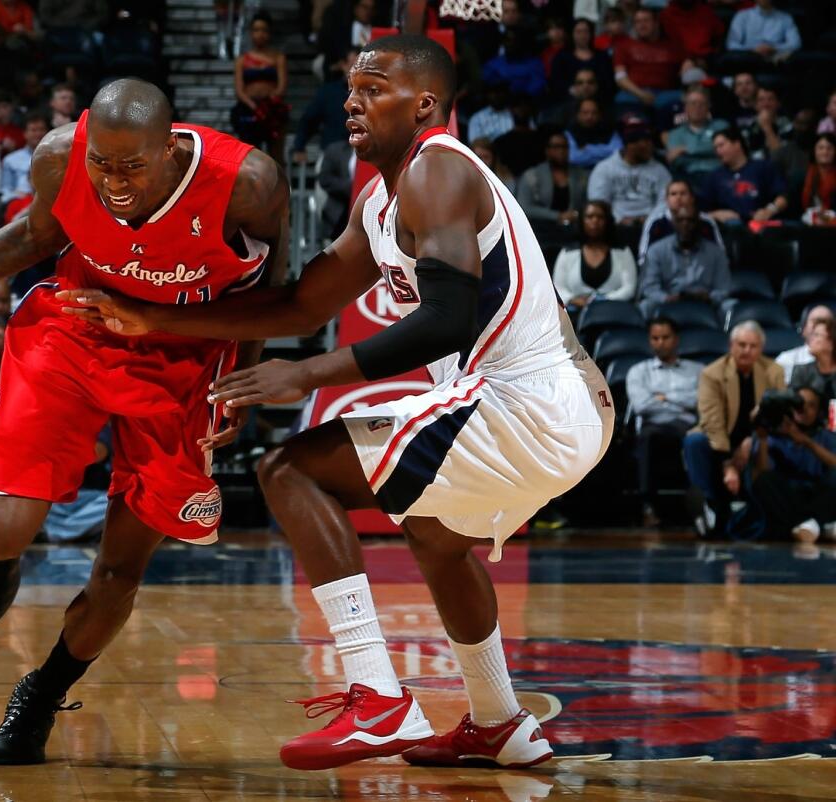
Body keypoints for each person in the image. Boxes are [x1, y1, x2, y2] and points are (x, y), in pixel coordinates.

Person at [63, 39, 611, 770]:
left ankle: (377, 697)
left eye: (374, 88)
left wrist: (310, 374)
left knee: (291, 469)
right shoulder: (382, 202)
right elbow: (297, 304)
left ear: (424, 105)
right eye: (350, 88)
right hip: (549, 412)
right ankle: (499, 723)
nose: (352, 100)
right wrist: (156, 318)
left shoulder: (438, 167)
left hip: (528, 400)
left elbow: (446, 318)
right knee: (436, 537)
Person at [0, 77, 287, 766]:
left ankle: (41, 694)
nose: (114, 182)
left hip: (186, 360)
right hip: (75, 327)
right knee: (7, 524)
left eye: (132, 165)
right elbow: (29, 237)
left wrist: (241, 380)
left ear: (169, 146)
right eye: (101, 163)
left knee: (120, 571)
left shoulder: (247, 184)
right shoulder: (57, 157)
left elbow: (270, 287)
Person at [684, 321, 785, 537]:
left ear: (761, 349)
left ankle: (755, 517)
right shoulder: (712, 374)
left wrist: (752, 440)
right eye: (741, 344)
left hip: (757, 438)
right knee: (694, 441)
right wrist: (728, 464)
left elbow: (776, 417)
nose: (746, 350)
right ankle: (708, 507)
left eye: (752, 346)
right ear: (731, 345)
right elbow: (712, 421)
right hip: (720, 438)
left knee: (766, 445)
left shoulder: (773, 371)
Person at [627, 316, 704, 526]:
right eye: (655, 338)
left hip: (687, 425)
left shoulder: (697, 370)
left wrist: (664, 397)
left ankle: (700, 506)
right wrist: (683, 401)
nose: (660, 342)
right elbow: (642, 405)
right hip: (654, 426)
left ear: (676, 339)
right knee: (647, 437)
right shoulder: (638, 372)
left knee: (697, 439)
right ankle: (647, 506)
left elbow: (701, 401)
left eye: (665, 337)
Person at [741, 386, 836, 543]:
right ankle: (816, 524)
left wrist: (806, 442)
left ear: (819, 412)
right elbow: (760, 475)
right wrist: (762, 438)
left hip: (817, 496)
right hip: (787, 498)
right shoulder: (772, 435)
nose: (804, 409)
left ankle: (808, 525)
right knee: (765, 480)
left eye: (811, 405)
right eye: (799, 403)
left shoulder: (825, 437)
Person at [639, 199, 730, 317]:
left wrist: (709, 297)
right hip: (668, 301)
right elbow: (649, 288)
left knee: (730, 306)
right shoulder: (656, 251)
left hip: (706, 303)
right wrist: (666, 298)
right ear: (673, 223)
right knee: (645, 306)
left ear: (698, 223)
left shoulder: (716, 252)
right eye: (680, 221)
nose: (685, 225)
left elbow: (723, 289)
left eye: (690, 221)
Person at [552, 200, 637, 309]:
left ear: (608, 221)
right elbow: (559, 287)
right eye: (589, 217)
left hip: (613, 311)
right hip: (575, 313)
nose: (595, 221)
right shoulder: (567, 253)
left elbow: (629, 288)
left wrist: (604, 300)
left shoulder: (623, 251)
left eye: (600, 217)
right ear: (582, 221)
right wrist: (574, 300)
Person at [587, 120, 671, 228]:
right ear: (630, 145)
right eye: (645, 142)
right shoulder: (604, 169)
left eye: (650, 141)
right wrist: (618, 219)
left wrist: (651, 219)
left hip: (651, 226)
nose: (650, 147)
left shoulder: (660, 170)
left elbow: (665, 202)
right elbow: (598, 203)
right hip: (614, 226)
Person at [231, 12, 289, 164]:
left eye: (264, 30)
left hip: (272, 110)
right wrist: (253, 106)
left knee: (276, 157)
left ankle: (279, 186)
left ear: (269, 33)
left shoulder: (278, 58)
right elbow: (239, 89)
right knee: (249, 157)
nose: (260, 34)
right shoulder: (242, 60)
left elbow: (282, 86)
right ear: (251, 33)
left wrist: (268, 104)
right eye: (256, 30)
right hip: (248, 111)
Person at [700, 128, 788, 224]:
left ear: (737, 144)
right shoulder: (714, 177)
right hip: (730, 229)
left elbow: (783, 197)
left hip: (763, 225)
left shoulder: (763, 167)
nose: (718, 151)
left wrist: (769, 211)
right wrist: (716, 214)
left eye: (721, 145)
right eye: (715, 148)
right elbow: (702, 212)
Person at [612, 7, 688, 113]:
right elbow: (620, 78)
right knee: (621, 99)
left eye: (646, 21)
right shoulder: (624, 46)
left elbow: (688, 63)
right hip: (634, 93)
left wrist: (689, 64)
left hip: (666, 94)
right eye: (638, 22)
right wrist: (641, 94)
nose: (642, 25)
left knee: (688, 98)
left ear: (656, 23)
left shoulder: (672, 46)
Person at [516, 131, 588, 229]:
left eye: (564, 147)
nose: (561, 151)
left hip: (572, 230)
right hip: (539, 230)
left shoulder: (580, 175)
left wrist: (575, 215)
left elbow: (587, 203)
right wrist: (557, 216)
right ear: (547, 150)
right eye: (556, 147)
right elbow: (524, 207)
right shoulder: (531, 176)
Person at [637, 180, 721, 262]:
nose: (678, 198)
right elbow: (643, 257)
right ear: (667, 200)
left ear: (692, 198)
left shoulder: (706, 221)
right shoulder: (655, 222)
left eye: (683, 193)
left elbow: (720, 254)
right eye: (673, 194)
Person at [664, 87, 725, 179]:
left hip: (718, 174)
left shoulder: (721, 126)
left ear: (708, 107)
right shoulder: (675, 134)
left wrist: (685, 149)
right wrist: (710, 149)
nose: (697, 107)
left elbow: (726, 151)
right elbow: (675, 160)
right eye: (693, 104)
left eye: (702, 104)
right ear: (685, 108)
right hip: (688, 177)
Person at [549, 18, 613, 100]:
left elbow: (608, 83)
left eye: (586, 31)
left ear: (591, 34)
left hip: (599, 100)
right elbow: (556, 83)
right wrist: (573, 91)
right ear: (572, 34)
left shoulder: (602, 56)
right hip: (569, 100)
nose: (583, 35)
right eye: (578, 32)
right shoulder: (561, 57)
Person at [725, 0, 800, 65]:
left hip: (776, 56)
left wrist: (774, 48)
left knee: (789, 58)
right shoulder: (742, 16)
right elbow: (731, 44)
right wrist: (753, 49)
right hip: (748, 57)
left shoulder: (785, 18)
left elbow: (795, 44)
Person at [778, 305, 833, 383]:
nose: (818, 326)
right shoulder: (786, 360)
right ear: (803, 328)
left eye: (825, 322)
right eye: (815, 321)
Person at [1, 113, 49, 201]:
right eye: (34, 130)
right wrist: (17, 196)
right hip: (20, 203)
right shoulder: (10, 160)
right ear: (25, 134)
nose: (38, 134)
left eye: (41, 129)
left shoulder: (55, 157)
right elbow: (5, 192)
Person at [789, 318, 836, 406]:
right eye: (812, 335)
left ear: (831, 343)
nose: (810, 339)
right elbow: (792, 406)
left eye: (817, 335)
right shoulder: (801, 371)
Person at [566, 97, 619, 169]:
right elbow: (573, 158)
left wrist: (588, 149)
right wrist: (604, 152)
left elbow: (618, 153)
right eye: (585, 113)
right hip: (579, 173)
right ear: (577, 115)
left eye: (594, 113)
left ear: (600, 115)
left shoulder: (609, 130)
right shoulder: (569, 132)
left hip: (608, 171)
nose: (589, 117)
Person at [802, 133, 836, 226]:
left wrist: (827, 218)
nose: (825, 152)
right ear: (814, 151)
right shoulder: (803, 175)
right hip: (807, 222)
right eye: (820, 148)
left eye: (829, 148)